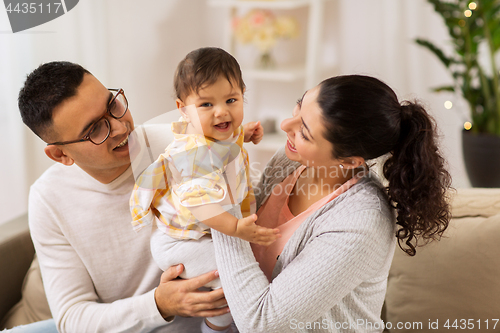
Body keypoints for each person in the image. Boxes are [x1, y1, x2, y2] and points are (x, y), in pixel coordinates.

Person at [211, 75, 453, 332]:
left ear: (349, 161)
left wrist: (216, 206)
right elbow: (241, 256)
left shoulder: (362, 220)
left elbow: (262, 323)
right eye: (298, 105)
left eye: (304, 132)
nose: (285, 124)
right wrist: (167, 302)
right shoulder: (289, 160)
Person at [15, 61, 234, 333]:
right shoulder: (48, 199)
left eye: (113, 105)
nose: (120, 128)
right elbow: (72, 318)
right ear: (61, 155)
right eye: (95, 129)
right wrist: (159, 304)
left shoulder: (183, 144)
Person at [129, 47, 277, 332]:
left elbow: (225, 143)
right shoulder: (195, 153)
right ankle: (216, 327)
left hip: (198, 232)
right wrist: (235, 228)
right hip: (181, 241)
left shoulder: (216, 132)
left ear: (243, 94)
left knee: (243, 275)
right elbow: (201, 206)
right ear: (183, 109)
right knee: (230, 280)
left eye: (231, 100)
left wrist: (244, 134)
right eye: (206, 105)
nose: (222, 111)